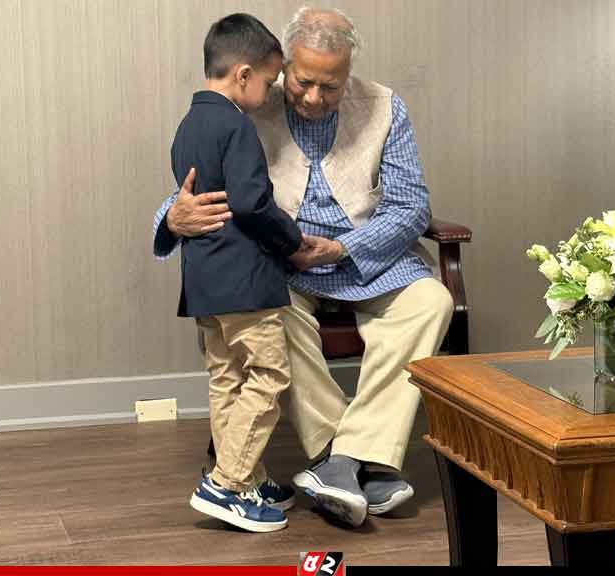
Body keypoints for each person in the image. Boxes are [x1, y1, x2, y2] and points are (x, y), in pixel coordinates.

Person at [153, 7, 453, 528]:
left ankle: (344, 461)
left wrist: (344, 248)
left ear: (349, 72)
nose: (314, 98)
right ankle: (350, 457)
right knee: (267, 316)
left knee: (433, 300)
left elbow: (410, 207)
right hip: (282, 267)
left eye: (330, 87)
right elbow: (195, 190)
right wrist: (172, 218)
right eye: (302, 82)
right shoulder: (247, 100)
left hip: (362, 257)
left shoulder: (385, 107)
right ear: (284, 66)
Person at [170, 13, 323, 533]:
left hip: (204, 282)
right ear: (242, 75)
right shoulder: (236, 126)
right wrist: (292, 241)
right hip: (244, 283)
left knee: (226, 379)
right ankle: (227, 483)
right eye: (270, 80)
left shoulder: (187, 126)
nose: (273, 90)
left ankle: (248, 476)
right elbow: (252, 203)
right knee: (269, 374)